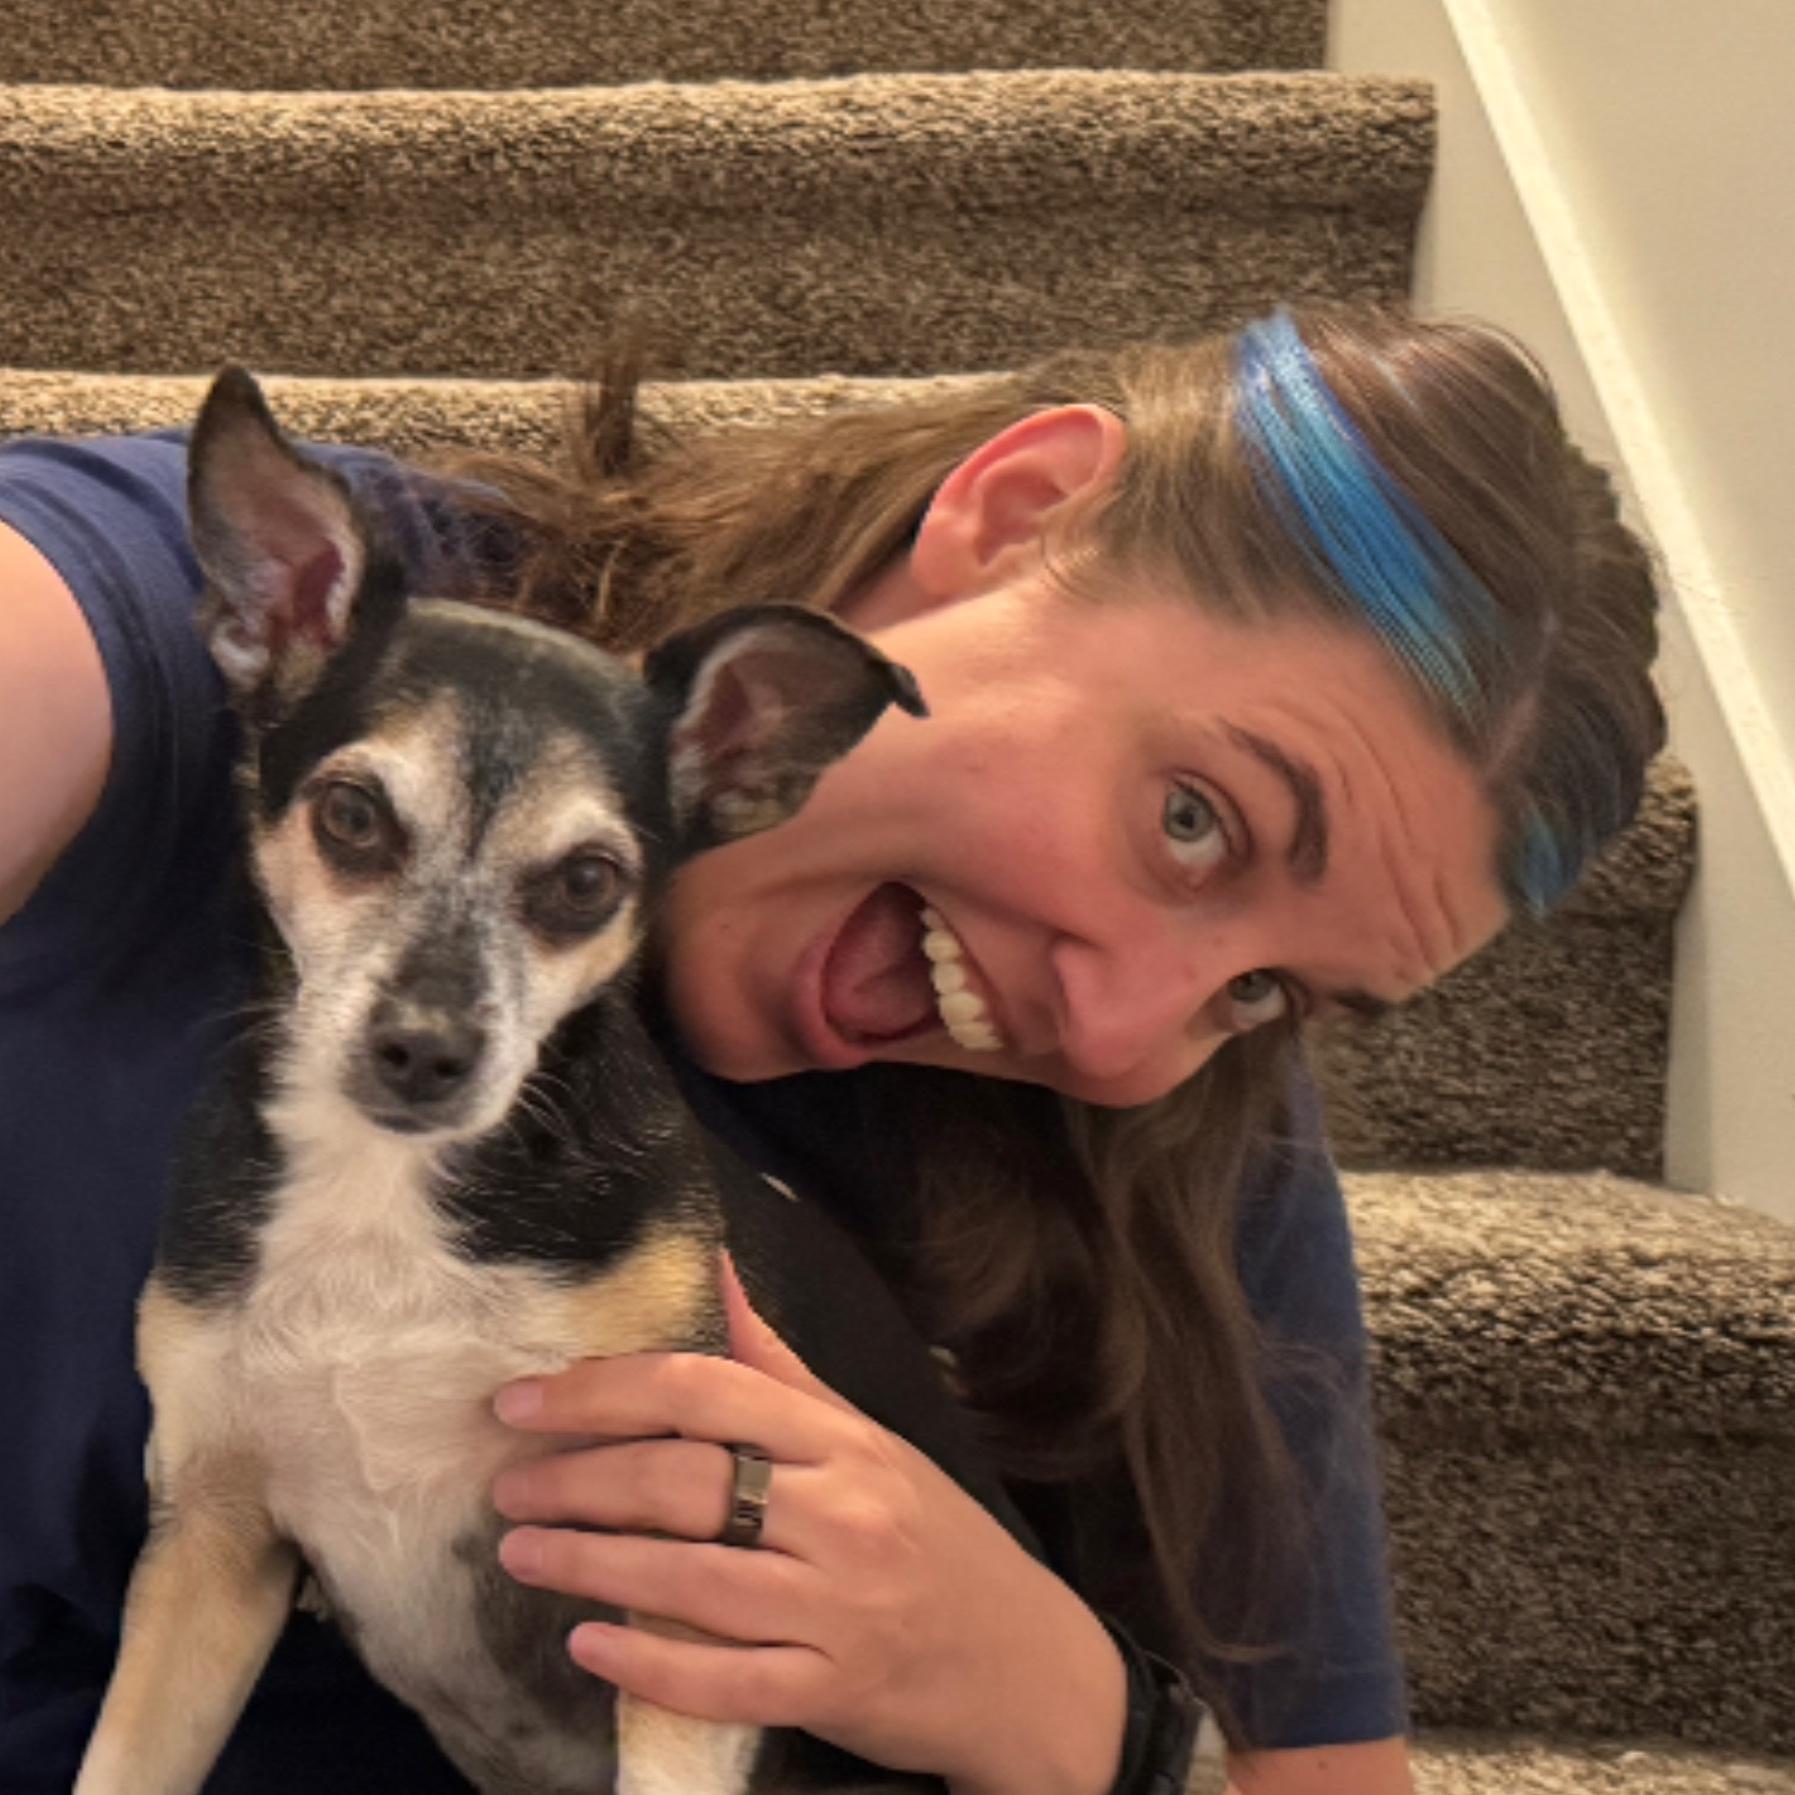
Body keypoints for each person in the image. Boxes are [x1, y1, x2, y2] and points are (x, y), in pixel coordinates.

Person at [0, 304, 1664, 1795]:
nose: (1116, 1031)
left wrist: (1071, 1712)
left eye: (1271, 993)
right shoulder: (285, 655)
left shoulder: (1182, 1134)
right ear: (1019, 514)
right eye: (1193, 821)